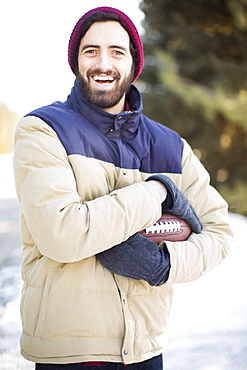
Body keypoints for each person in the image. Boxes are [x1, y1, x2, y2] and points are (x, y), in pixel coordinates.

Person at [13, 6, 233, 370]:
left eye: (117, 51)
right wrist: (155, 192)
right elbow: (62, 235)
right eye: (91, 51)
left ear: (133, 63)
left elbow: (219, 232)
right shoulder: (43, 130)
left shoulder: (170, 146)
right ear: (76, 61)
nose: (103, 63)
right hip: (70, 353)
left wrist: (165, 265)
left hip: (146, 351)